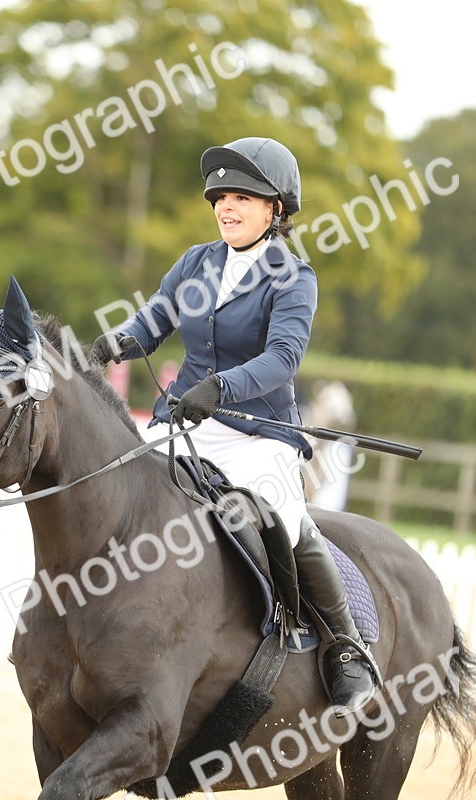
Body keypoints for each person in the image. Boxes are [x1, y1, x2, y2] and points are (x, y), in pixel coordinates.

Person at [90, 137, 376, 713]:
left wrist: (220, 388)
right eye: (220, 196)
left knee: (285, 515)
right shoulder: (196, 263)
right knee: (113, 484)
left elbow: (283, 359)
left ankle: (344, 647)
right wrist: (115, 343)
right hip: (182, 423)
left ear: (276, 210)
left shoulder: (293, 278)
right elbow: (155, 321)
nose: (226, 206)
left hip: (256, 432)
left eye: (242, 197)